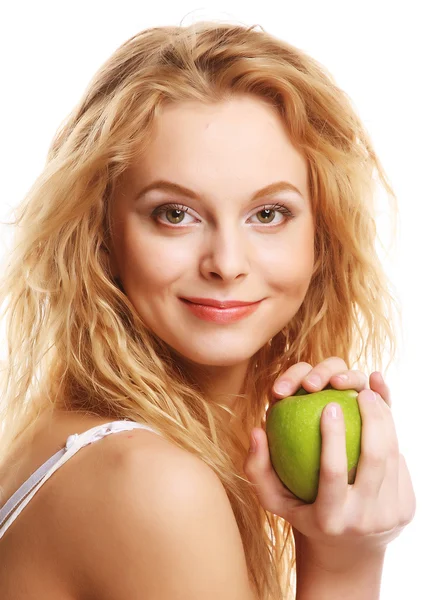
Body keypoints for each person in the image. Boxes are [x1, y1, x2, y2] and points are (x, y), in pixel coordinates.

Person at [0, 20, 416, 600]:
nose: (226, 263)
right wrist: (346, 564)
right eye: (175, 213)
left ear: (322, 239)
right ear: (100, 235)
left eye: (268, 214)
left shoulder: (86, 439)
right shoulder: (151, 484)